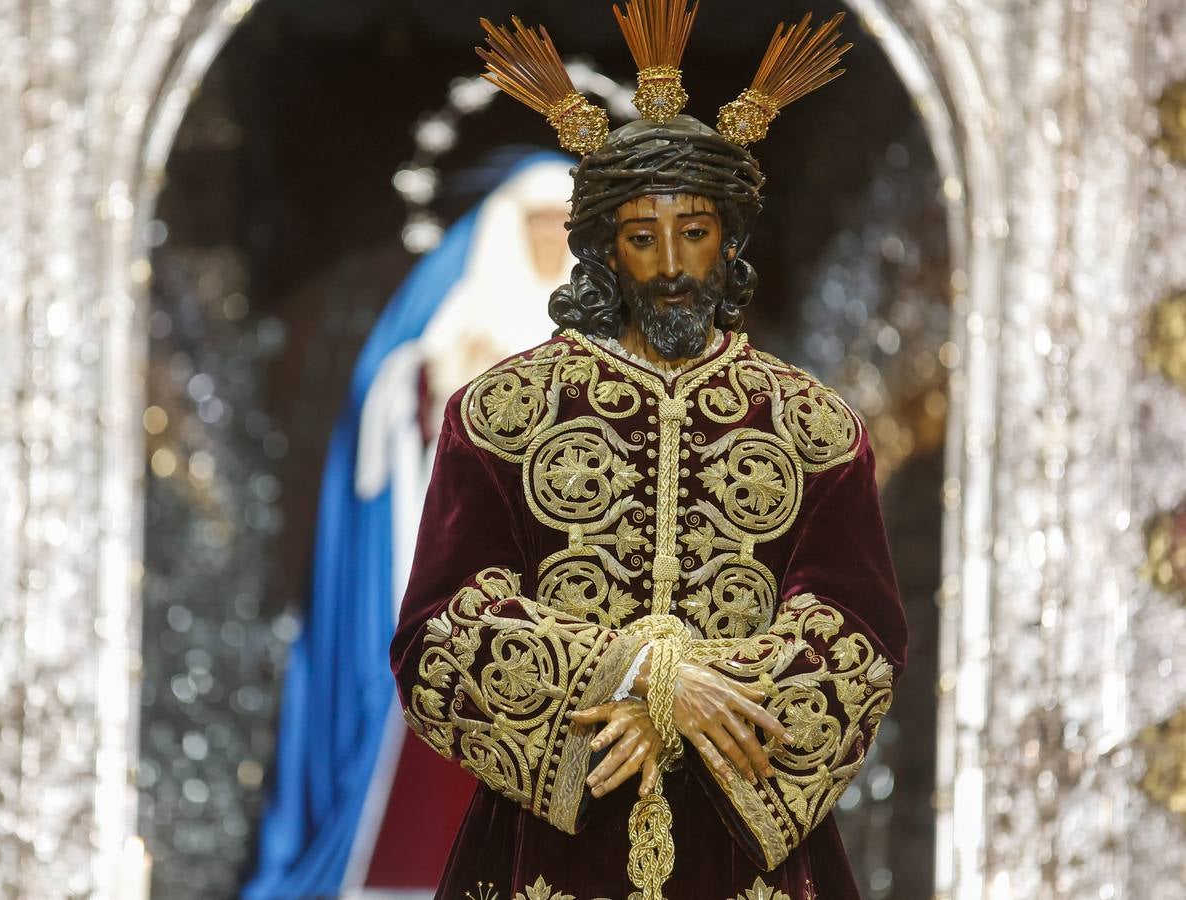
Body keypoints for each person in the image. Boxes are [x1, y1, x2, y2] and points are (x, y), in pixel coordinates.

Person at [389, 4, 907, 899]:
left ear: (731, 240)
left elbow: (858, 638)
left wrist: (696, 698)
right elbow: (439, 634)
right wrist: (639, 672)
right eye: (641, 236)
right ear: (603, 252)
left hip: (748, 852)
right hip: (549, 846)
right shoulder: (505, 413)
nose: (671, 262)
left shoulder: (814, 430)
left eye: (695, 231)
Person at [245, 155, 574, 899]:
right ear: (505, 228)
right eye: (538, 223)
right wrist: (437, 382)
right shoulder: (463, 308)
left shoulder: (603, 324)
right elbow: (391, 399)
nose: (553, 239)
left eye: (566, 224)